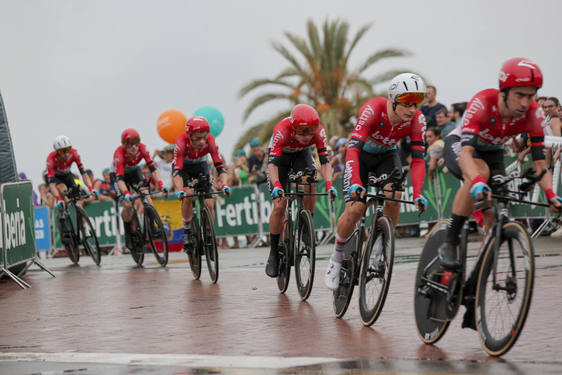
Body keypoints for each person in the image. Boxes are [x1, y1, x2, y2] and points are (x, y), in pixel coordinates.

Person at [439, 58, 562, 271]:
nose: (525, 103)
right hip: (462, 145)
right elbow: (467, 154)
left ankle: (480, 270)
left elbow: (541, 164)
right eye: (519, 95)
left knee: (496, 208)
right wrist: (477, 180)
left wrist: (551, 194)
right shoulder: (482, 103)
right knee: (480, 173)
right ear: (503, 91)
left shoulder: (534, 114)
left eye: (531, 95)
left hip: (492, 150)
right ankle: (450, 240)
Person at [324, 73, 428, 289]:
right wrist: (355, 181)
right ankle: (336, 257)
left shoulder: (417, 120)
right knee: (355, 209)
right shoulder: (373, 109)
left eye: (416, 104)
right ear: (394, 99)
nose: (412, 109)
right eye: (407, 103)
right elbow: (353, 149)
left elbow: (419, 160)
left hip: (387, 157)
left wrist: (418, 193)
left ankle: (381, 249)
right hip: (360, 156)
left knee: (395, 195)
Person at [265, 104, 336, 277]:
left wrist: (329, 184)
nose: (307, 136)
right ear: (294, 127)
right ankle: (274, 252)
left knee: (311, 179)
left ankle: (306, 223)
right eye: (303, 132)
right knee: (280, 205)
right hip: (279, 158)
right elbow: (272, 164)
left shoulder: (318, 133)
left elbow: (325, 162)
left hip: (301, 155)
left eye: (311, 131)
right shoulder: (281, 130)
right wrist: (277, 186)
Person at [173, 116, 231, 251]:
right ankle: (187, 230)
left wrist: (224, 185)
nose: (202, 141)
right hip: (184, 168)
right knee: (188, 195)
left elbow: (220, 168)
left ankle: (209, 234)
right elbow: (177, 173)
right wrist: (180, 190)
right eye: (197, 138)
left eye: (204, 137)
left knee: (209, 204)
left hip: (200, 165)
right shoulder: (181, 142)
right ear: (189, 136)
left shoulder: (210, 141)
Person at [112, 128, 167, 250]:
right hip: (119, 176)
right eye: (130, 145)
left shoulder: (143, 149)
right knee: (127, 205)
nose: (134, 147)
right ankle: (128, 234)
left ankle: (153, 228)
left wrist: (161, 184)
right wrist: (126, 192)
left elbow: (153, 170)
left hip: (134, 171)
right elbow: (120, 179)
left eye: (136, 144)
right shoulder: (119, 154)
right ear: (124, 145)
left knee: (146, 193)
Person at [46, 135, 96, 209]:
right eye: (62, 151)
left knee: (78, 200)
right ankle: (63, 208)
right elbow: (52, 184)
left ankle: (81, 218)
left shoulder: (74, 153)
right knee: (63, 189)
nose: (66, 154)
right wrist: (58, 198)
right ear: (57, 151)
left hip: (68, 175)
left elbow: (84, 174)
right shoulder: (51, 159)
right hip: (57, 178)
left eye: (68, 149)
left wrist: (90, 188)